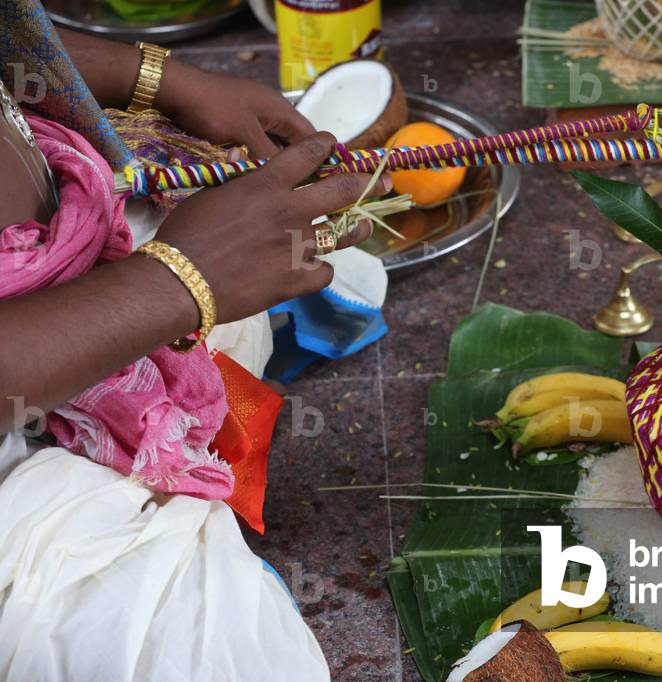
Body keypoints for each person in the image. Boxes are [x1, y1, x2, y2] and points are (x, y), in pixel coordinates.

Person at [0, 17, 382, 682]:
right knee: (211, 653)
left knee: (260, 244)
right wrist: (178, 281)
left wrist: (160, 81)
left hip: (68, 266)